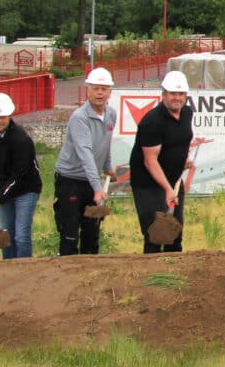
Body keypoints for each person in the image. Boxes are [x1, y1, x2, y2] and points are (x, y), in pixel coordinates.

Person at [53, 67, 117, 255]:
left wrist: (107, 167)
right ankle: (66, 277)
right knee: (70, 232)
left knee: (92, 231)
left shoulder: (111, 114)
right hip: (70, 180)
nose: (100, 93)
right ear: (87, 90)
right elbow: (86, 154)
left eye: (104, 89)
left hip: (91, 180)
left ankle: (89, 279)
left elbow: (105, 143)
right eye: (96, 88)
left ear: (109, 92)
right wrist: (98, 189)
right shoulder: (79, 118)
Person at [130, 70, 194, 253]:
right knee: (156, 233)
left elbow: (180, 140)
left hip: (174, 180)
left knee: (175, 231)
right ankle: (152, 278)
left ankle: (174, 277)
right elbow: (150, 161)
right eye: (173, 93)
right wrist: (166, 189)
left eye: (181, 94)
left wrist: (183, 159)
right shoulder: (152, 122)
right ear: (164, 95)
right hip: (148, 184)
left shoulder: (187, 113)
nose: (177, 98)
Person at [0, 93, 42, 259]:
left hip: (26, 189)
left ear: (9, 116)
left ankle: (24, 272)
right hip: (6, 190)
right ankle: (8, 270)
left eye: (2, 117)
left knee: (21, 236)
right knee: (6, 234)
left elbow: (20, 175)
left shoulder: (20, 140)